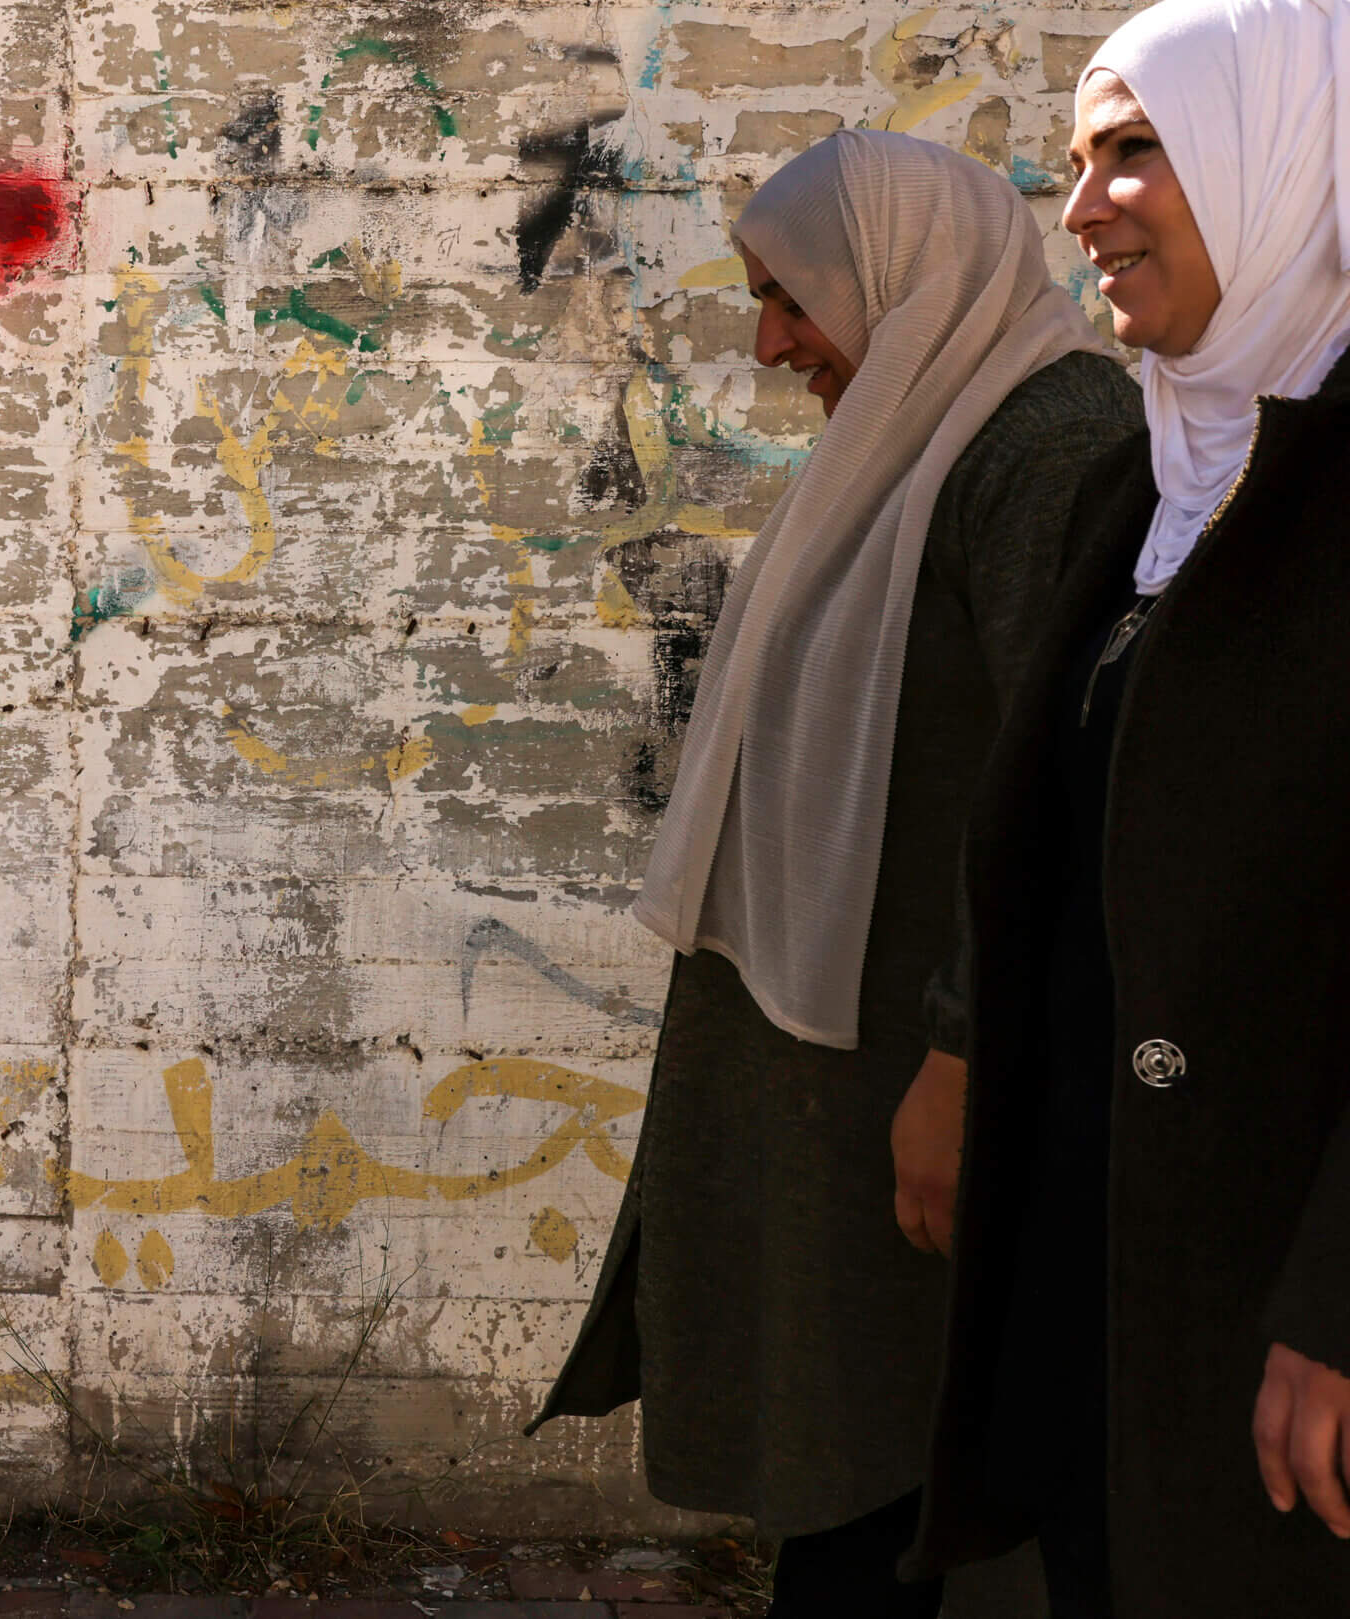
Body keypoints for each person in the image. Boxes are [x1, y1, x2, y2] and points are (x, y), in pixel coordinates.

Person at [906, 0, 1350, 1617]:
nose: (1084, 208)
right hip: (1142, 1321)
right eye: (1076, 163)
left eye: (1131, 153)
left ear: (1281, 150)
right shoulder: (1154, 474)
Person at [531, 129, 1140, 1618]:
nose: (770, 341)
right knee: (884, 1468)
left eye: (794, 299)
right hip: (859, 1083)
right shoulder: (921, 437)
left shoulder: (1047, 448)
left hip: (924, 1090)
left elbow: (1066, 790)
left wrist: (962, 1052)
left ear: (897, 275)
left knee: (910, 1474)